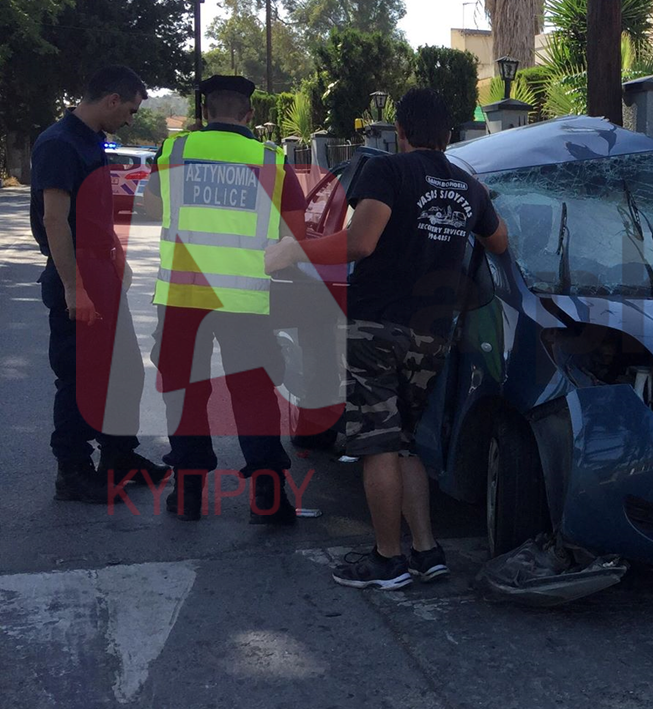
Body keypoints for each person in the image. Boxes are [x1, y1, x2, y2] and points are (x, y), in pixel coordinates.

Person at [266, 87, 509, 589]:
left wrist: (295, 252)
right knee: (406, 445)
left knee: (376, 446)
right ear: (449, 133)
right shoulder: (469, 186)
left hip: (378, 327)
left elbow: (361, 243)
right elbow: (500, 241)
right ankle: (425, 550)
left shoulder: (388, 171)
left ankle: (387, 558)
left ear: (400, 130)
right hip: (434, 334)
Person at [146, 74, 305, 521]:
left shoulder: (174, 152)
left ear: (205, 113)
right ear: (249, 115)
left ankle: (189, 494)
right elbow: (296, 236)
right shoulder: (271, 161)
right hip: (246, 301)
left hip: (181, 297)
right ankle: (269, 499)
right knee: (254, 395)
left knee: (184, 393)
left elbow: (154, 210)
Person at [30, 65, 165, 502]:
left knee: (123, 370)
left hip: (101, 272)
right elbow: (55, 219)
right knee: (78, 377)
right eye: (128, 109)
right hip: (78, 275)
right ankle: (72, 470)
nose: (129, 118)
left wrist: (117, 255)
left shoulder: (90, 141)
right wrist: (73, 287)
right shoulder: (58, 143)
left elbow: (94, 210)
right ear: (110, 100)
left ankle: (119, 455)